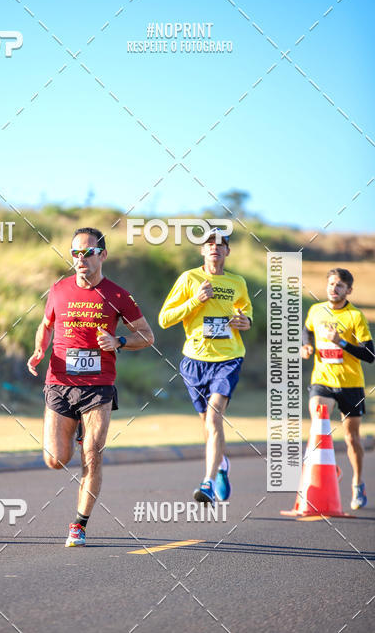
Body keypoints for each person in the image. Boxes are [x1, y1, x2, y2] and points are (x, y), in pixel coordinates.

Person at [27, 227, 154, 547]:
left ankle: (79, 525)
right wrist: (40, 350)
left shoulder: (118, 295)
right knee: (55, 459)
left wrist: (119, 340)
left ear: (102, 255)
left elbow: (147, 336)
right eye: (75, 253)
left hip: (98, 385)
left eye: (87, 252)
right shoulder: (58, 289)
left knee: (92, 456)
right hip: (59, 380)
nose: (80, 259)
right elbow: (45, 325)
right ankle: (77, 430)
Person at [158, 229, 252, 505]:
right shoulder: (189, 279)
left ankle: (207, 483)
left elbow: (246, 314)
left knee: (214, 418)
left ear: (227, 252)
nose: (214, 248)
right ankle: (221, 465)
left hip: (228, 358)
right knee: (207, 422)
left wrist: (246, 322)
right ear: (202, 251)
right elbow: (165, 318)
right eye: (209, 244)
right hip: (195, 361)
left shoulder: (237, 282)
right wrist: (194, 300)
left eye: (220, 245)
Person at [301, 267, 373, 509]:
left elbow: (370, 354)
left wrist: (341, 342)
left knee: (352, 438)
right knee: (319, 422)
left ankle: (357, 483)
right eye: (331, 284)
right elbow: (307, 329)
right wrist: (306, 346)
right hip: (323, 381)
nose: (334, 288)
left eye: (340, 285)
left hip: (351, 384)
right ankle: (327, 469)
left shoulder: (355, 317)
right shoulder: (316, 310)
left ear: (348, 290)